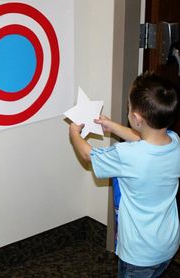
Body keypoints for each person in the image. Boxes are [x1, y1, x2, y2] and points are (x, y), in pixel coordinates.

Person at [69, 72, 180, 278]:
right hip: (167, 244)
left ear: (136, 118)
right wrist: (111, 126)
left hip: (139, 253)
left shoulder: (126, 155)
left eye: (129, 108)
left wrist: (74, 134)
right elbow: (142, 139)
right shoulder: (174, 142)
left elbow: (88, 156)